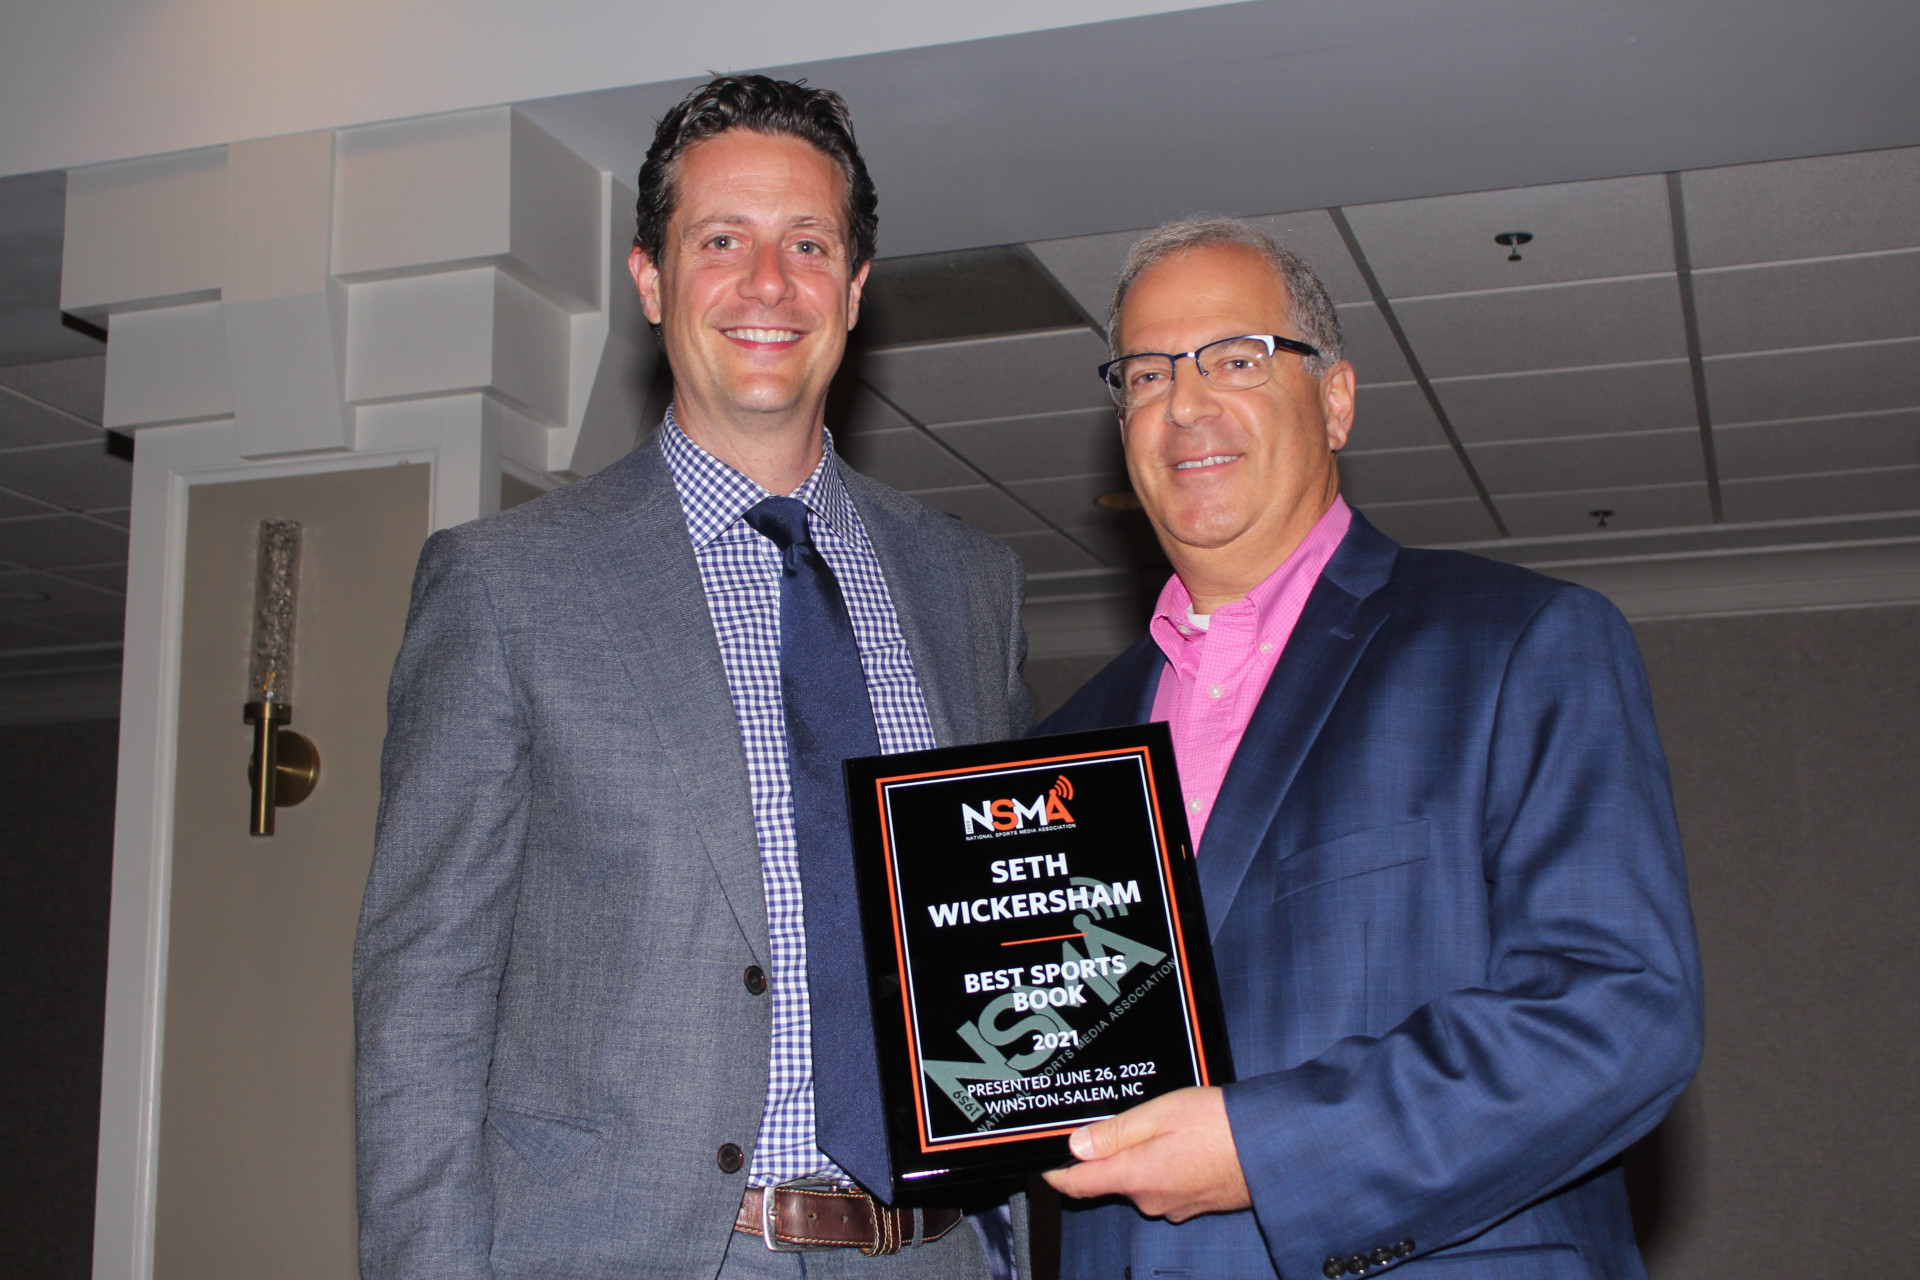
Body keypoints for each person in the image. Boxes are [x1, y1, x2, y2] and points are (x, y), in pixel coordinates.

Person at [354, 74, 1032, 1280]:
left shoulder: (967, 584)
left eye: (807, 243)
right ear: (653, 279)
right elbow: (424, 1000)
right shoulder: (507, 586)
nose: (767, 283)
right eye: (721, 240)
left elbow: (1005, 939)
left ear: (856, 289)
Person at [1038, 217, 1702, 1279]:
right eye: (1149, 372)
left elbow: (1618, 1009)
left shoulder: (1514, 642)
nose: (1187, 401)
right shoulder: (1060, 746)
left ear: (1336, 400)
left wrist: (1267, 1148)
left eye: (1236, 358)